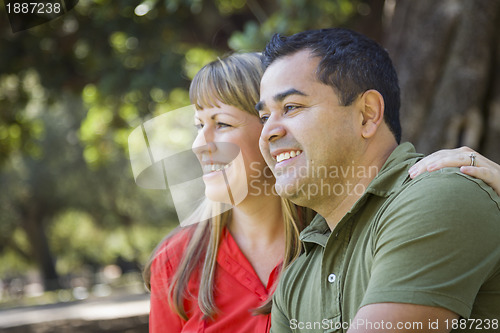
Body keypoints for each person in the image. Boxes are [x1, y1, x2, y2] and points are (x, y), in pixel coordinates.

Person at [257, 28, 500, 332]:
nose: (268, 132)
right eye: (264, 117)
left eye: (291, 107)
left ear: (367, 114)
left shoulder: (439, 195)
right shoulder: (296, 279)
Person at [145, 52, 314, 333]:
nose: (200, 144)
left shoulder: (338, 238)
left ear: (272, 131)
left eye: (221, 123)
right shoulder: (174, 259)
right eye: (199, 125)